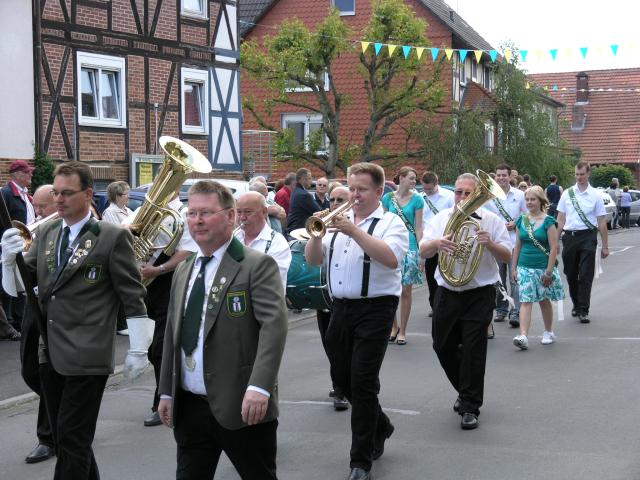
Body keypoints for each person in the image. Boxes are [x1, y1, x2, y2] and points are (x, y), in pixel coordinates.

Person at [0, 161, 152, 480]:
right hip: (50, 351)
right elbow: (21, 286)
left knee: (71, 437)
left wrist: (139, 348)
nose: (59, 199)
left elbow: (132, 293)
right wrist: (8, 260)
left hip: (88, 355)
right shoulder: (47, 233)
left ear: (87, 194)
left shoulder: (111, 236)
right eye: (56, 192)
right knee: (68, 438)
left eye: (67, 193)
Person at [158, 180, 287, 480]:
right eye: (192, 213)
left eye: (206, 212)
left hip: (242, 403)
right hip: (190, 406)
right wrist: (166, 390)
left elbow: (274, 327)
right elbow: (172, 334)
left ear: (230, 217)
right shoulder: (184, 269)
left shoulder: (256, 265)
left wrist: (260, 387)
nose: (197, 221)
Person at [305, 162, 408, 480]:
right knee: (341, 376)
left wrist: (354, 231)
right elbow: (313, 260)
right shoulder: (340, 222)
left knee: (362, 381)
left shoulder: (391, 222)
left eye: (361, 189)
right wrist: (316, 236)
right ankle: (381, 424)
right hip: (340, 308)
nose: (354, 195)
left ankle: (360, 461)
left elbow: (391, 258)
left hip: (377, 308)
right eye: (351, 188)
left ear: (379, 191)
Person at [420, 173, 511, 430]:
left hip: (479, 293)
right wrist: (437, 243)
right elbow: (423, 250)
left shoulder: (491, 220)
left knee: (473, 349)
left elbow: (506, 255)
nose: (461, 197)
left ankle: (470, 406)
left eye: (468, 193)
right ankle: (465, 389)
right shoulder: (441, 219)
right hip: (447, 291)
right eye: (458, 192)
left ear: (477, 195)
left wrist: (490, 243)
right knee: (442, 345)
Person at [122, 189, 197, 427]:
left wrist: (158, 269)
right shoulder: (143, 211)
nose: (157, 189)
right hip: (146, 285)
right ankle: (175, 396)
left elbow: (187, 252)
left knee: (160, 349)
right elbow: (122, 231)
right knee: (155, 347)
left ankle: (162, 402)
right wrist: (126, 231)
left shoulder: (182, 215)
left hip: (169, 283)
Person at [19, 184, 56, 464]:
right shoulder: (39, 230)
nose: (38, 211)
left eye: (42, 206)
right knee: (29, 370)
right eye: (36, 206)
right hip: (32, 305)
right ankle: (61, 408)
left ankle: (47, 437)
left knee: (45, 372)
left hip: (57, 308)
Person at [511, 186, 564, 349]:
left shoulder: (548, 221)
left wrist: (549, 272)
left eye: (532, 199)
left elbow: (553, 248)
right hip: (524, 267)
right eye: (527, 199)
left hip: (543, 268)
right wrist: (514, 268)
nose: (529, 202)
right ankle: (523, 336)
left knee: (543, 300)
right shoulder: (521, 220)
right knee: (525, 301)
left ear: (541, 201)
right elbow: (517, 246)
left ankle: (548, 332)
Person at [556, 161, 609, 324]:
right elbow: (561, 218)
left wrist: (605, 246)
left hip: (588, 237)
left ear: (588, 174)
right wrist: (555, 241)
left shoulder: (596, 195)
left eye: (582, 174)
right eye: (577, 174)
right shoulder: (567, 193)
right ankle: (576, 304)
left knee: (585, 274)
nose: (579, 177)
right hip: (570, 237)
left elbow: (601, 221)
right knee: (570, 274)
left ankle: (583, 309)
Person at [315, 185, 350, 411]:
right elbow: (313, 258)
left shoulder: (357, 226)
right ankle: (339, 382)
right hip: (325, 293)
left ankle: (342, 389)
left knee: (345, 346)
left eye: (340, 200)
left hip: (347, 298)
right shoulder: (325, 226)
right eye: (332, 200)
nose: (335, 204)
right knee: (329, 342)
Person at [382, 167, 424, 345]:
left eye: (415, 179)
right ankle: (393, 327)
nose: (414, 182)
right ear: (401, 178)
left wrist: (421, 253)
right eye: (411, 178)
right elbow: (383, 223)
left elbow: (419, 227)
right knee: (390, 289)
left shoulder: (418, 200)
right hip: (391, 246)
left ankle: (403, 331)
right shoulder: (387, 198)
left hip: (410, 247)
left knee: (406, 290)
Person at [483, 164, 526, 329]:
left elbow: (527, 214)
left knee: (514, 278)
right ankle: (501, 309)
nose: (501, 178)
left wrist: (516, 222)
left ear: (510, 177)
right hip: (497, 242)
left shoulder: (520, 195)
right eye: (498, 175)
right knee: (498, 278)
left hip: (515, 241)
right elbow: (484, 217)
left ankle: (515, 311)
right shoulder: (489, 196)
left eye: (504, 175)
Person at [1, 160, 36, 335]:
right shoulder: (6, 194)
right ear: (17, 174)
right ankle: (10, 323)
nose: (31, 175)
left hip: (26, 246)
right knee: (8, 284)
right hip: (11, 246)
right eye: (27, 172)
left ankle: (19, 321)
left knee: (22, 284)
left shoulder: (26, 196)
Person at [235, 191, 291, 290]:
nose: (242, 218)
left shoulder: (277, 242)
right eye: (239, 212)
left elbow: (269, 280)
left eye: (248, 212)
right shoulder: (233, 237)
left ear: (264, 212)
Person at [419, 171, 454, 316]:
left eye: (430, 189)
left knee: (448, 274)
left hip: (446, 239)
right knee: (431, 275)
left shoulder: (449, 196)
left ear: (436, 184)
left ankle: (448, 304)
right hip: (430, 240)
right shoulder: (420, 198)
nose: (427, 191)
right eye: (424, 188)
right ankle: (434, 305)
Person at [286, 168, 321, 235]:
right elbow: (319, 211)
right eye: (309, 178)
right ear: (302, 179)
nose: (311, 181)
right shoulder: (304, 195)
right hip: (299, 232)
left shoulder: (296, 191)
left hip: (294, 230)